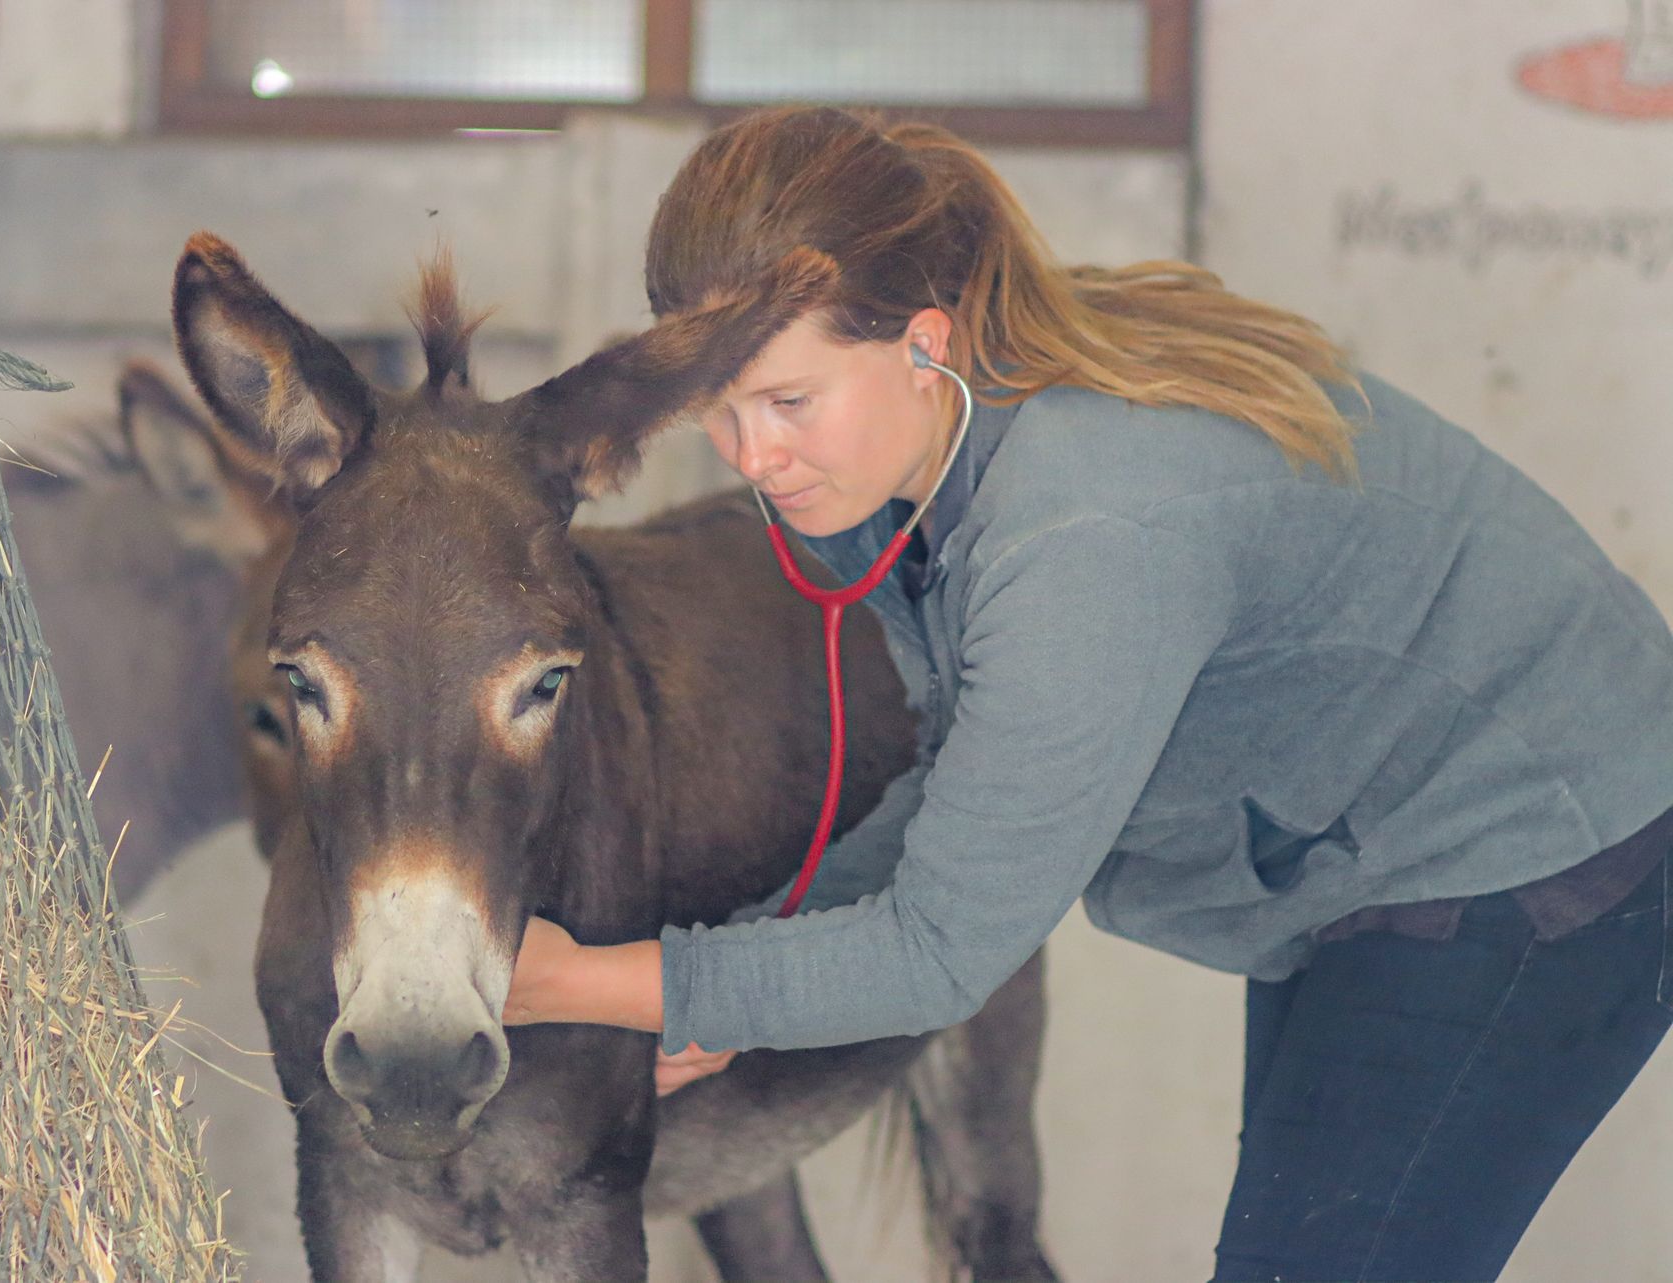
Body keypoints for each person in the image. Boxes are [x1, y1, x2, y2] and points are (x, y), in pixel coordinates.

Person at [500, 106, 1673, 1282]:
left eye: (790, 402)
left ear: (924, 342)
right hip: (1369, 843)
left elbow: (944, 945)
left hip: (1537, 839)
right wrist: (734, 980)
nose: (751, 456)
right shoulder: (963, 427)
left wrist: (589, 979)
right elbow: (973, 791)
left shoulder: (1085, 531)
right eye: (716, 405)